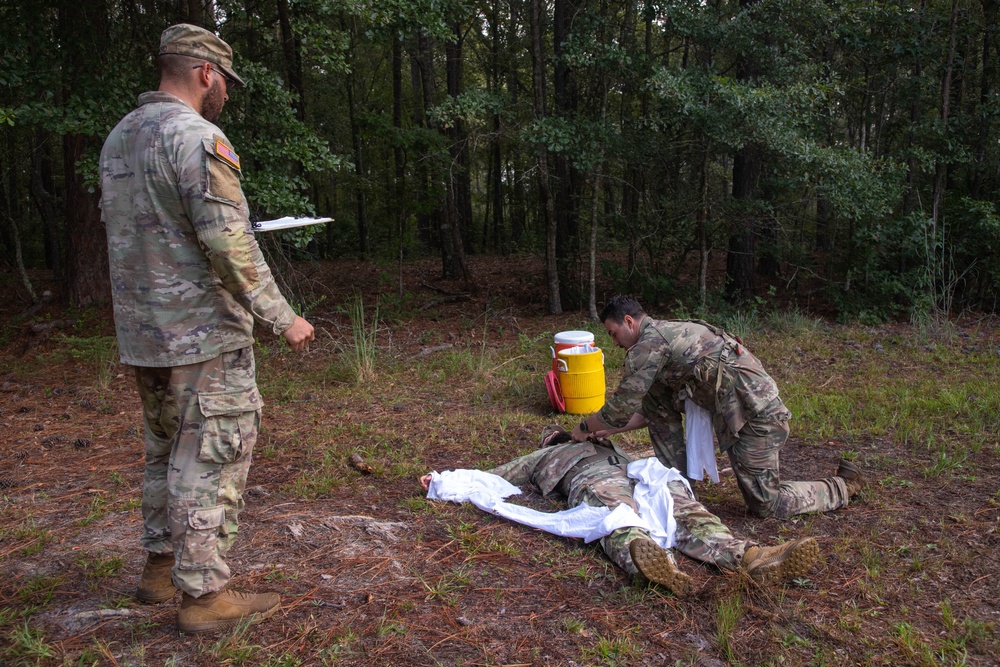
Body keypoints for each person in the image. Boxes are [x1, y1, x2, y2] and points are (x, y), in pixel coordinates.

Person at [100, 23, 315, 634]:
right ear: (204, 74)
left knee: (164, 449)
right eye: (224, 81)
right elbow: (227, 240)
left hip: (144, 331)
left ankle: (158, 569)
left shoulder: (121, 138)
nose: (225, 93)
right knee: (213, 454)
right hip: (202, 333)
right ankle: (203, 598)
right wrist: (283, 316)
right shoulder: (196, 136)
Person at [419, 426, 819, 596]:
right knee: (617, 517)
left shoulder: (612, 446)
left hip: (640, 475)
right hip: (601, 482)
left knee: (685, 510)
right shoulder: (549, 454)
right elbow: (494, 476)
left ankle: (752, 557)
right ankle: (655, 568)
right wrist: (443, 481)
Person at [571, 295, 864, 520]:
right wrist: (606, 429)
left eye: (613, 333)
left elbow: (619, 408)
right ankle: (679, 494)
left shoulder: (648, 347)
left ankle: (841, 487)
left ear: (629, 322)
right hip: (735, 411)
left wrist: (585, 428)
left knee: (766, 504)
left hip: (756, 414)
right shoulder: (664, 340)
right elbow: (652, 414)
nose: (614, 342)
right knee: (661, 412)